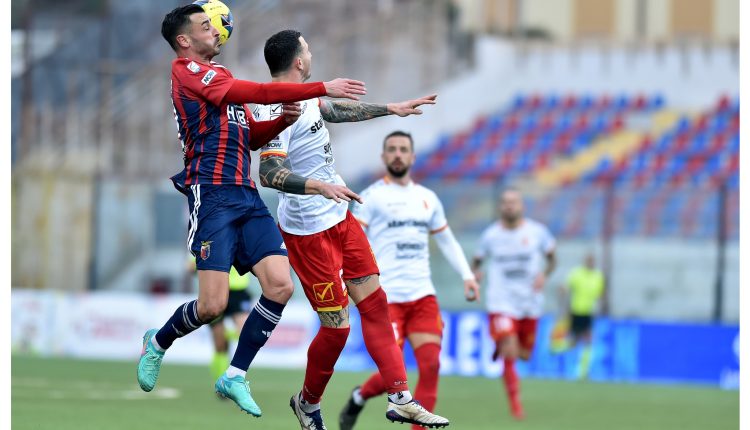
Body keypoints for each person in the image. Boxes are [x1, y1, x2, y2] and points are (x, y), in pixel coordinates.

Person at [138, 5, 368, 418]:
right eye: (205, 26)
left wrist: (282, 122)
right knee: (212, 306)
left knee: (280, 285)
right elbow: (258, 92)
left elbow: (250, 139)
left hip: (245, 194)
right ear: (184, 40)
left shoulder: (220, 75)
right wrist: (318, 88)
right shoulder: (186, 72)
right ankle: (157, 342)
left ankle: (235, 374)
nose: (216, 30)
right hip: (211, 195)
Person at [254, 29, 448, 429]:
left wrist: (392, 108)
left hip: (339, 215)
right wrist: (319, 186)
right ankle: (307, 404)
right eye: (308, 48)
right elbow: (268, 172)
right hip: (308, 231)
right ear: (298, 62)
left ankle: (400, 397)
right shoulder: (277, 108)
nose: (311, 53)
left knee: (375, 304)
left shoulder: (306, 97)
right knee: (337, 329)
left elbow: (333, 111)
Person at [337, 131, 481, 430]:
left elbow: (446, 239)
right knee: (393, 372)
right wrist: (345, 278)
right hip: (386, 298)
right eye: (392, 149)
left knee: (431, 365)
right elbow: (352, 242)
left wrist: (467, 275)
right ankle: (360, 396)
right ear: (383, 157)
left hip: (422, 295)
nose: (398, 154)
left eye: (403, 149)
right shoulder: (370, 197)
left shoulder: (427, 198)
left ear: (413, 157)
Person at [471, 188, 556, 420]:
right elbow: (477, 261)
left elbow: (552, 259)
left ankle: (500, 343)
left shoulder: (538, 232)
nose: (509, 206)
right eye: (505, 202)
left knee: (524, 355)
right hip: (501, 301)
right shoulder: (490, 236)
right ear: (500, 207)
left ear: (522, 206)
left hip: (529, 302)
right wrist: (475, 274)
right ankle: (516, 406)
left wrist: (545, 275)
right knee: (510, 351)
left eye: (514, 202)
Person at [558, 252, 604, 379]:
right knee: (573, 341)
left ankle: (583, 370)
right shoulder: (577, 273)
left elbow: (600, 294)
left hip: (588, 313)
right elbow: (566, 287)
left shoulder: (598, 276)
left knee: (588, 340)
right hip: (576, 311)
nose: (591, 263)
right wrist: (563, 295)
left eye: (592, 261)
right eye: (589, 260)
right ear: (585, 261)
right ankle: (561, 354)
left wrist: (601, 308)